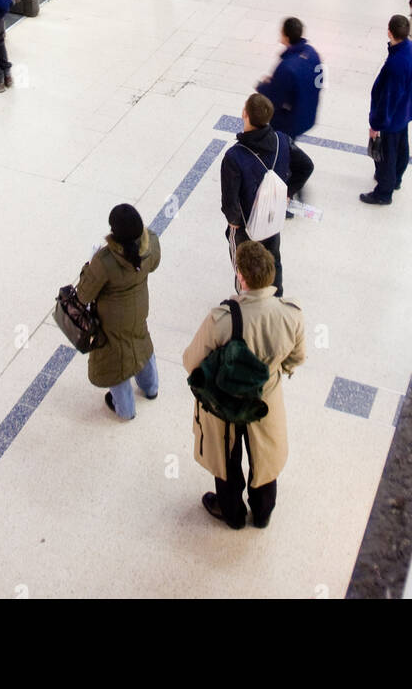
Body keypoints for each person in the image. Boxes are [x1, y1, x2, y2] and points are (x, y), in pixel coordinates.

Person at [183, 240, 305, 530]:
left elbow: (191, 361)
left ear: (242, 277)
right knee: (264, 457)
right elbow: (296, 358)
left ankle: (232, 513)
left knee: (227, 456)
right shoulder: (292, 315)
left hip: (225, 404)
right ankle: (262, 513)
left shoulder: (221, 319)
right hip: (266, 400)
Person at [220, 92, 314, 298]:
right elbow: (306, 166)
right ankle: (275, 299)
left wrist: (234, 221)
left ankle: (247, 305)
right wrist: (288, 192)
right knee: (273, 260)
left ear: (244, 114)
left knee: (243, 269)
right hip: (272, 217)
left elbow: (229, 198)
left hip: (246, 226)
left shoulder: (234, 156)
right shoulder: (282, 141)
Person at [75, 204, 161, 420]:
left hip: (111, 321)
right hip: (139, 308)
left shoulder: (105, 261)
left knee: (116, 361)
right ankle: (151, 388)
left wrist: (89, 265)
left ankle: (125, 409)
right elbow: (154, 263)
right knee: (141, 341)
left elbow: (83, 294)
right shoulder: (151, 242)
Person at [359, 14, 412, 206]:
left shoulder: (396, 63)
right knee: (402, 146)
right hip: (405, 110)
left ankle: (383, 193)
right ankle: (396, 179)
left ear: (389, 32)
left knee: (387, 153)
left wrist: (376, 124)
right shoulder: (411, 48)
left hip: (392, 117)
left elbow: (388, 98)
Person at [256, 17, 322, 141]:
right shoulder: (312, 53)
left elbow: (274, 98)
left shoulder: (286, 67)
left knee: (284, 148)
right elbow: (319, 80)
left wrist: (262, 86)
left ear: (285, 36)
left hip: (288, 122)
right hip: (308, 112)